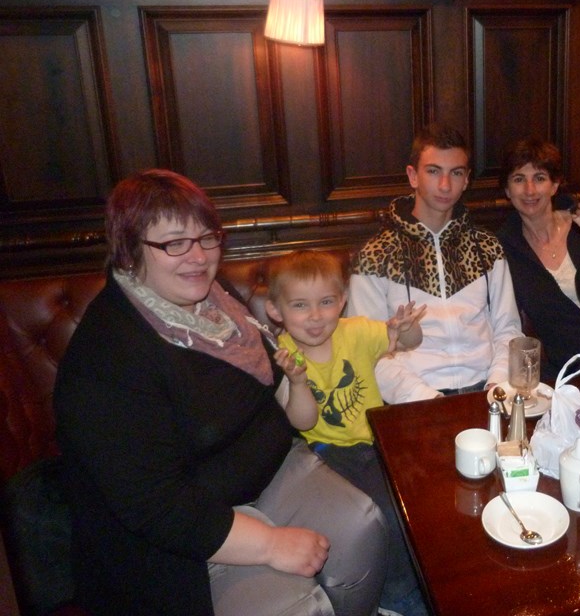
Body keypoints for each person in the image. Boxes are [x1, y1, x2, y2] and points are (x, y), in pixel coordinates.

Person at [53, 169, 388, 616]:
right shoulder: (107, 357)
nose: (198, 257)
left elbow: (270, 387)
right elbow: (154, 506)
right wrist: (270, 543)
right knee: (299, 608)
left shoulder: (215, 298)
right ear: (130, 250)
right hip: (185, 533)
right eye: (174, 243)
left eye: (206, 237)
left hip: (269, 471)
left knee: (363, 526)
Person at [265, 250, 428, 616]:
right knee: (386, 512)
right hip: (327, 450)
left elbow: (409, 341)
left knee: (420, 497)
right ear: (276, 310)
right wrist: (298, 382)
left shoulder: (355, 331)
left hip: (376, 437)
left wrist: (404, 328)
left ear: (341, 301)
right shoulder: (283, 354)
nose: (315, 316)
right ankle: (399, 599)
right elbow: (303, 422)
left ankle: (424, 579)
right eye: (300, 305)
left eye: (326, 302)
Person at [347, 123, 522, 403]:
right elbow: (368, 349)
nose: (445, 185)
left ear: (466, 180)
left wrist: (496, 386)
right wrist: (427, 399)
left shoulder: (487, 247)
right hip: (414, 399)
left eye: (456, 173)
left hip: (488, 389)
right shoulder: (376, 256)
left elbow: (508, 329)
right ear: (413, 176)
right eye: (433, 171)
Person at [497, 138, 580, 381]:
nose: (530, 190)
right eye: (519, 179)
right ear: (508, 191)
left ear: (554, 185)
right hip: (566, 370)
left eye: (539, 178)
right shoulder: (504, 248)